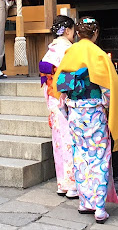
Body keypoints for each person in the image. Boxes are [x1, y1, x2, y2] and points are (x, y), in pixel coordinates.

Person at [53, 17, 118, 223]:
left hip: (75, 114)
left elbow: (61, 85)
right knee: (99, 157)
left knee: (80, 155)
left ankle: (84, 202)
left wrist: (69, 104)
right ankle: (99, 207)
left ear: (78, 33)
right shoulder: (99, 55)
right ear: (95, 33)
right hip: (95, 113)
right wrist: (105, 106)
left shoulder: (71, 52)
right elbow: (108, 89)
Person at [38, 15, 77, 198]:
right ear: (68, 30)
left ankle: (62, 183)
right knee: (69, 141)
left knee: (59, 142)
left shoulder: (51, 49)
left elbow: (46, 78)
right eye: (73, 31)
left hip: (53, 99)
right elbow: (68, 78)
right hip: (63, 99)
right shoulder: (67, 50)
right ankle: (72, 185)